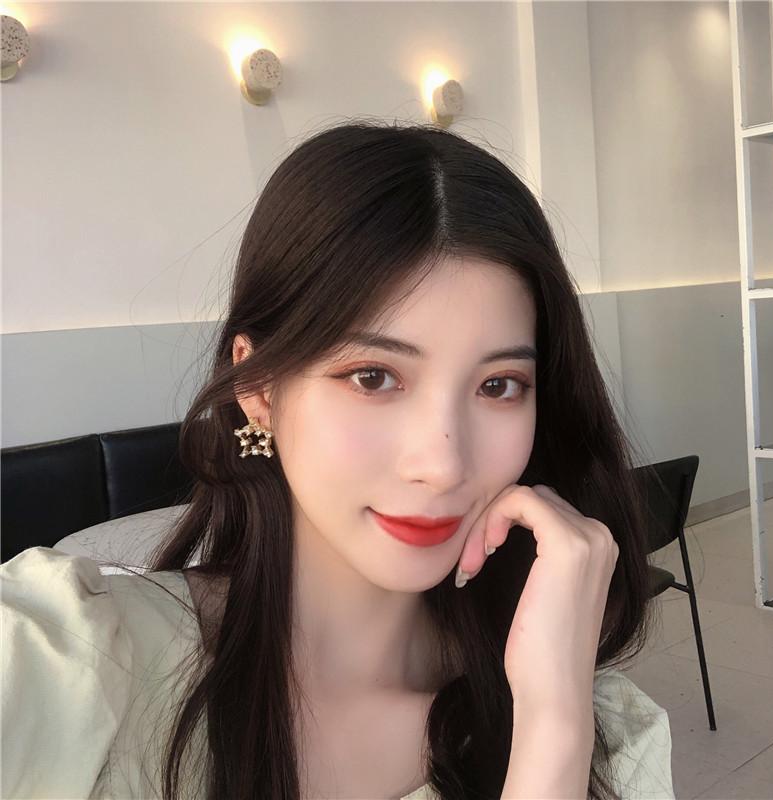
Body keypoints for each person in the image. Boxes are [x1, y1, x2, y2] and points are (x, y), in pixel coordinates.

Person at [1, 120, 675, 800]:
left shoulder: (597, 732)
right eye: (373, 377)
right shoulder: (62, 659)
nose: (443, 466)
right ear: (259, 389)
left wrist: (552, 727)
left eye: (498, 385)